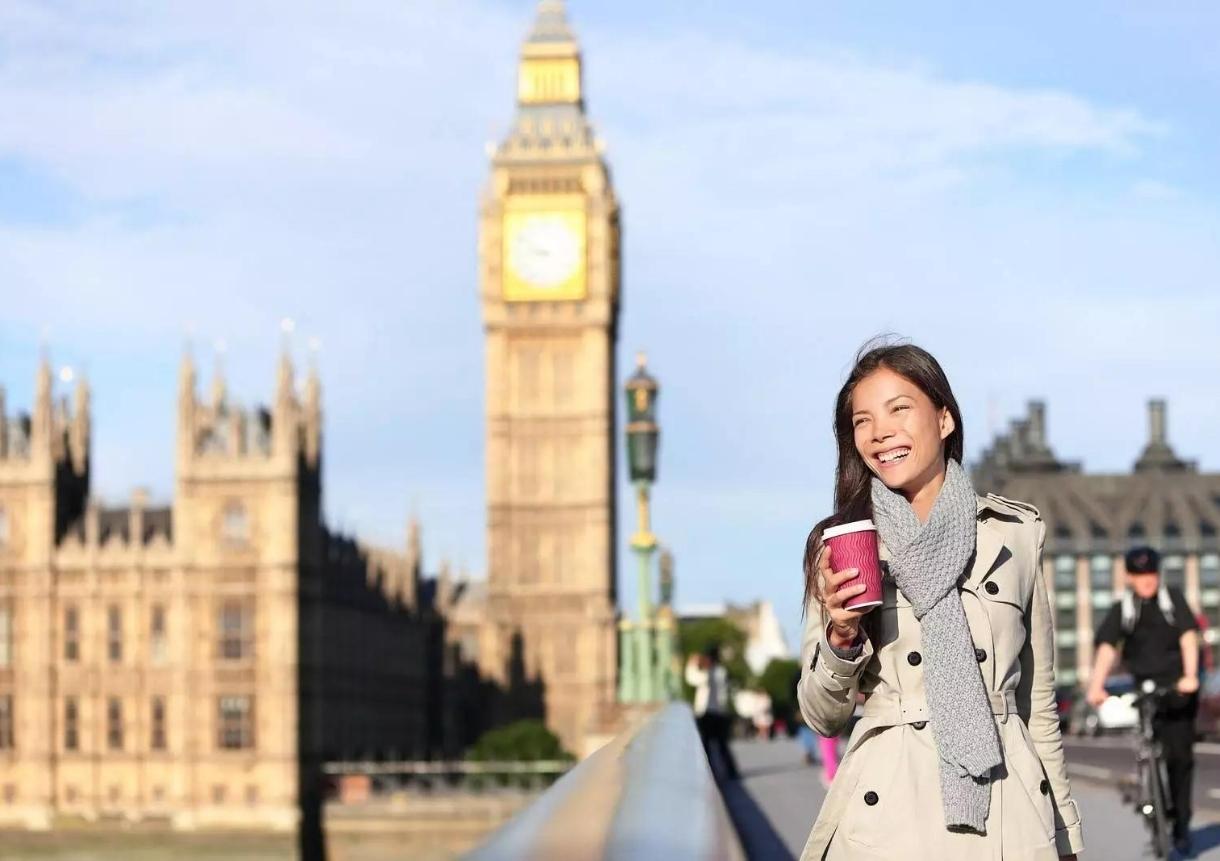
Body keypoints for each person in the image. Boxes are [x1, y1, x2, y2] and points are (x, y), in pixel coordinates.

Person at [797, 341, 1083, 861]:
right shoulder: (843, 544)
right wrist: (841, 638)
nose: (879, 431)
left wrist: (1066, 837)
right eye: (862, 420)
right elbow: (821, 716)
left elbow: (1037, 706)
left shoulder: (1013, 534)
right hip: (890, 815)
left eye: (899, 408)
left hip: (1009, 812)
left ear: (944, 419)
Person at [1087, 545, 1200, 856]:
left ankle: (1181, 826)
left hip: (1178, 691)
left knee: (1180, 759)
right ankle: (1152, 798)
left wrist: (1190, 676)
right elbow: (1108, 648)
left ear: (1158, 573)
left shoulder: (1172, 600)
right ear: (1129, 577)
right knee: (1151, 749)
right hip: (1145, 691)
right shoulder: (1123, 608)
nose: (1146, 580)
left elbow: (1189, 637)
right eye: (1139, 575)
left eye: (1150, 573)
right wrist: (1096, 686)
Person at [685, 644, 741, 780]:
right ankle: (731, 771)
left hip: (708, 714)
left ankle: (712, 773)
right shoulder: (721, 671)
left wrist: (691, 665)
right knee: (722, 745)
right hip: (720, 713)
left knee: (707, 746)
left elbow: (692, 679)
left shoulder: (708, 674)